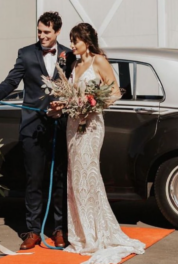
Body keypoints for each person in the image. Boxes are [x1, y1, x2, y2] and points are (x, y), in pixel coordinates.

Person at [51, 23, 145, 264]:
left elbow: (114, 91)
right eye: (71, 40)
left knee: (88, 176)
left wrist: (92, 103)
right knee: (75, 179)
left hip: (91, 126)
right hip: (73, 125)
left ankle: (96, 234)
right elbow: (71, 94)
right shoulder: (74, 63)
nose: (72, 45)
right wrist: (63, 104)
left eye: (76, 40)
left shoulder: (99, 61)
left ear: (87, 40)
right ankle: (81, 235)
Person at [0, 12, 76, 250]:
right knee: (33, 180)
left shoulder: (69, 54)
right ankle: (33, 231)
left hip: (60, 125)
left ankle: (59, 229)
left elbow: (76, 86)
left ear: (57, 32)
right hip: (32, 126)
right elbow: (11, 81)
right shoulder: (25, 53)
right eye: (39, 31)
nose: (42, 36)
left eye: (47, 32)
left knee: (59, 180)